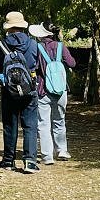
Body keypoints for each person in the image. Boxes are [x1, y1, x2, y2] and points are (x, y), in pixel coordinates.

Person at [0, 11, 39, 173]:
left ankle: (8, 161)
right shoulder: (33, 43)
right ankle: (30, 162)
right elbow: (37, 64)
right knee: (30, 125)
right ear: (22, 26)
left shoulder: (1, 44)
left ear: (8, 27)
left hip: (9, 90)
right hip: (30, 89)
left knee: (10, 124)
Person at [29, 22, 76, 165]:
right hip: (61, 90)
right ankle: (62, 150)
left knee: (43, 124)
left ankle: (47, 156)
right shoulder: (61, 46)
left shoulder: (37, 48)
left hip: (43, 90)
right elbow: (72, 63)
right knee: (59, 121)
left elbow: (33, 66)